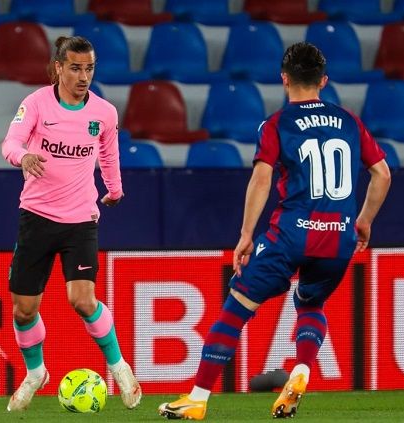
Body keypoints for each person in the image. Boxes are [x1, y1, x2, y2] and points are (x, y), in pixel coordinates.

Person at [158, 42, 391, 420]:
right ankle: (301, 369)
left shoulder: (277, 124)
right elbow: (382, 173)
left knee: (236, 308)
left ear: (283, 79)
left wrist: (246, 234)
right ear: (324, 81)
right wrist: (363, 221)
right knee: (311, 304)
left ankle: (197, 398)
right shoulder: (349, 120)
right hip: (339, 237)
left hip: (290, 234)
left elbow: (262, 179)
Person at [1, 35, 141, 412]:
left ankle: (118, 367)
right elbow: (10, 142)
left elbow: (108, 155)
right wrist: (23, 157)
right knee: (23, 309)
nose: (83, 76)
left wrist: (114, 189)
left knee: (82, 299)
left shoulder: (104, 113)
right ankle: (36, 373)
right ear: (58, 67)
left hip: (80, 219)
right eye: (76, 68)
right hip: (36, 218)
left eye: (89, 68)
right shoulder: (35, 104)